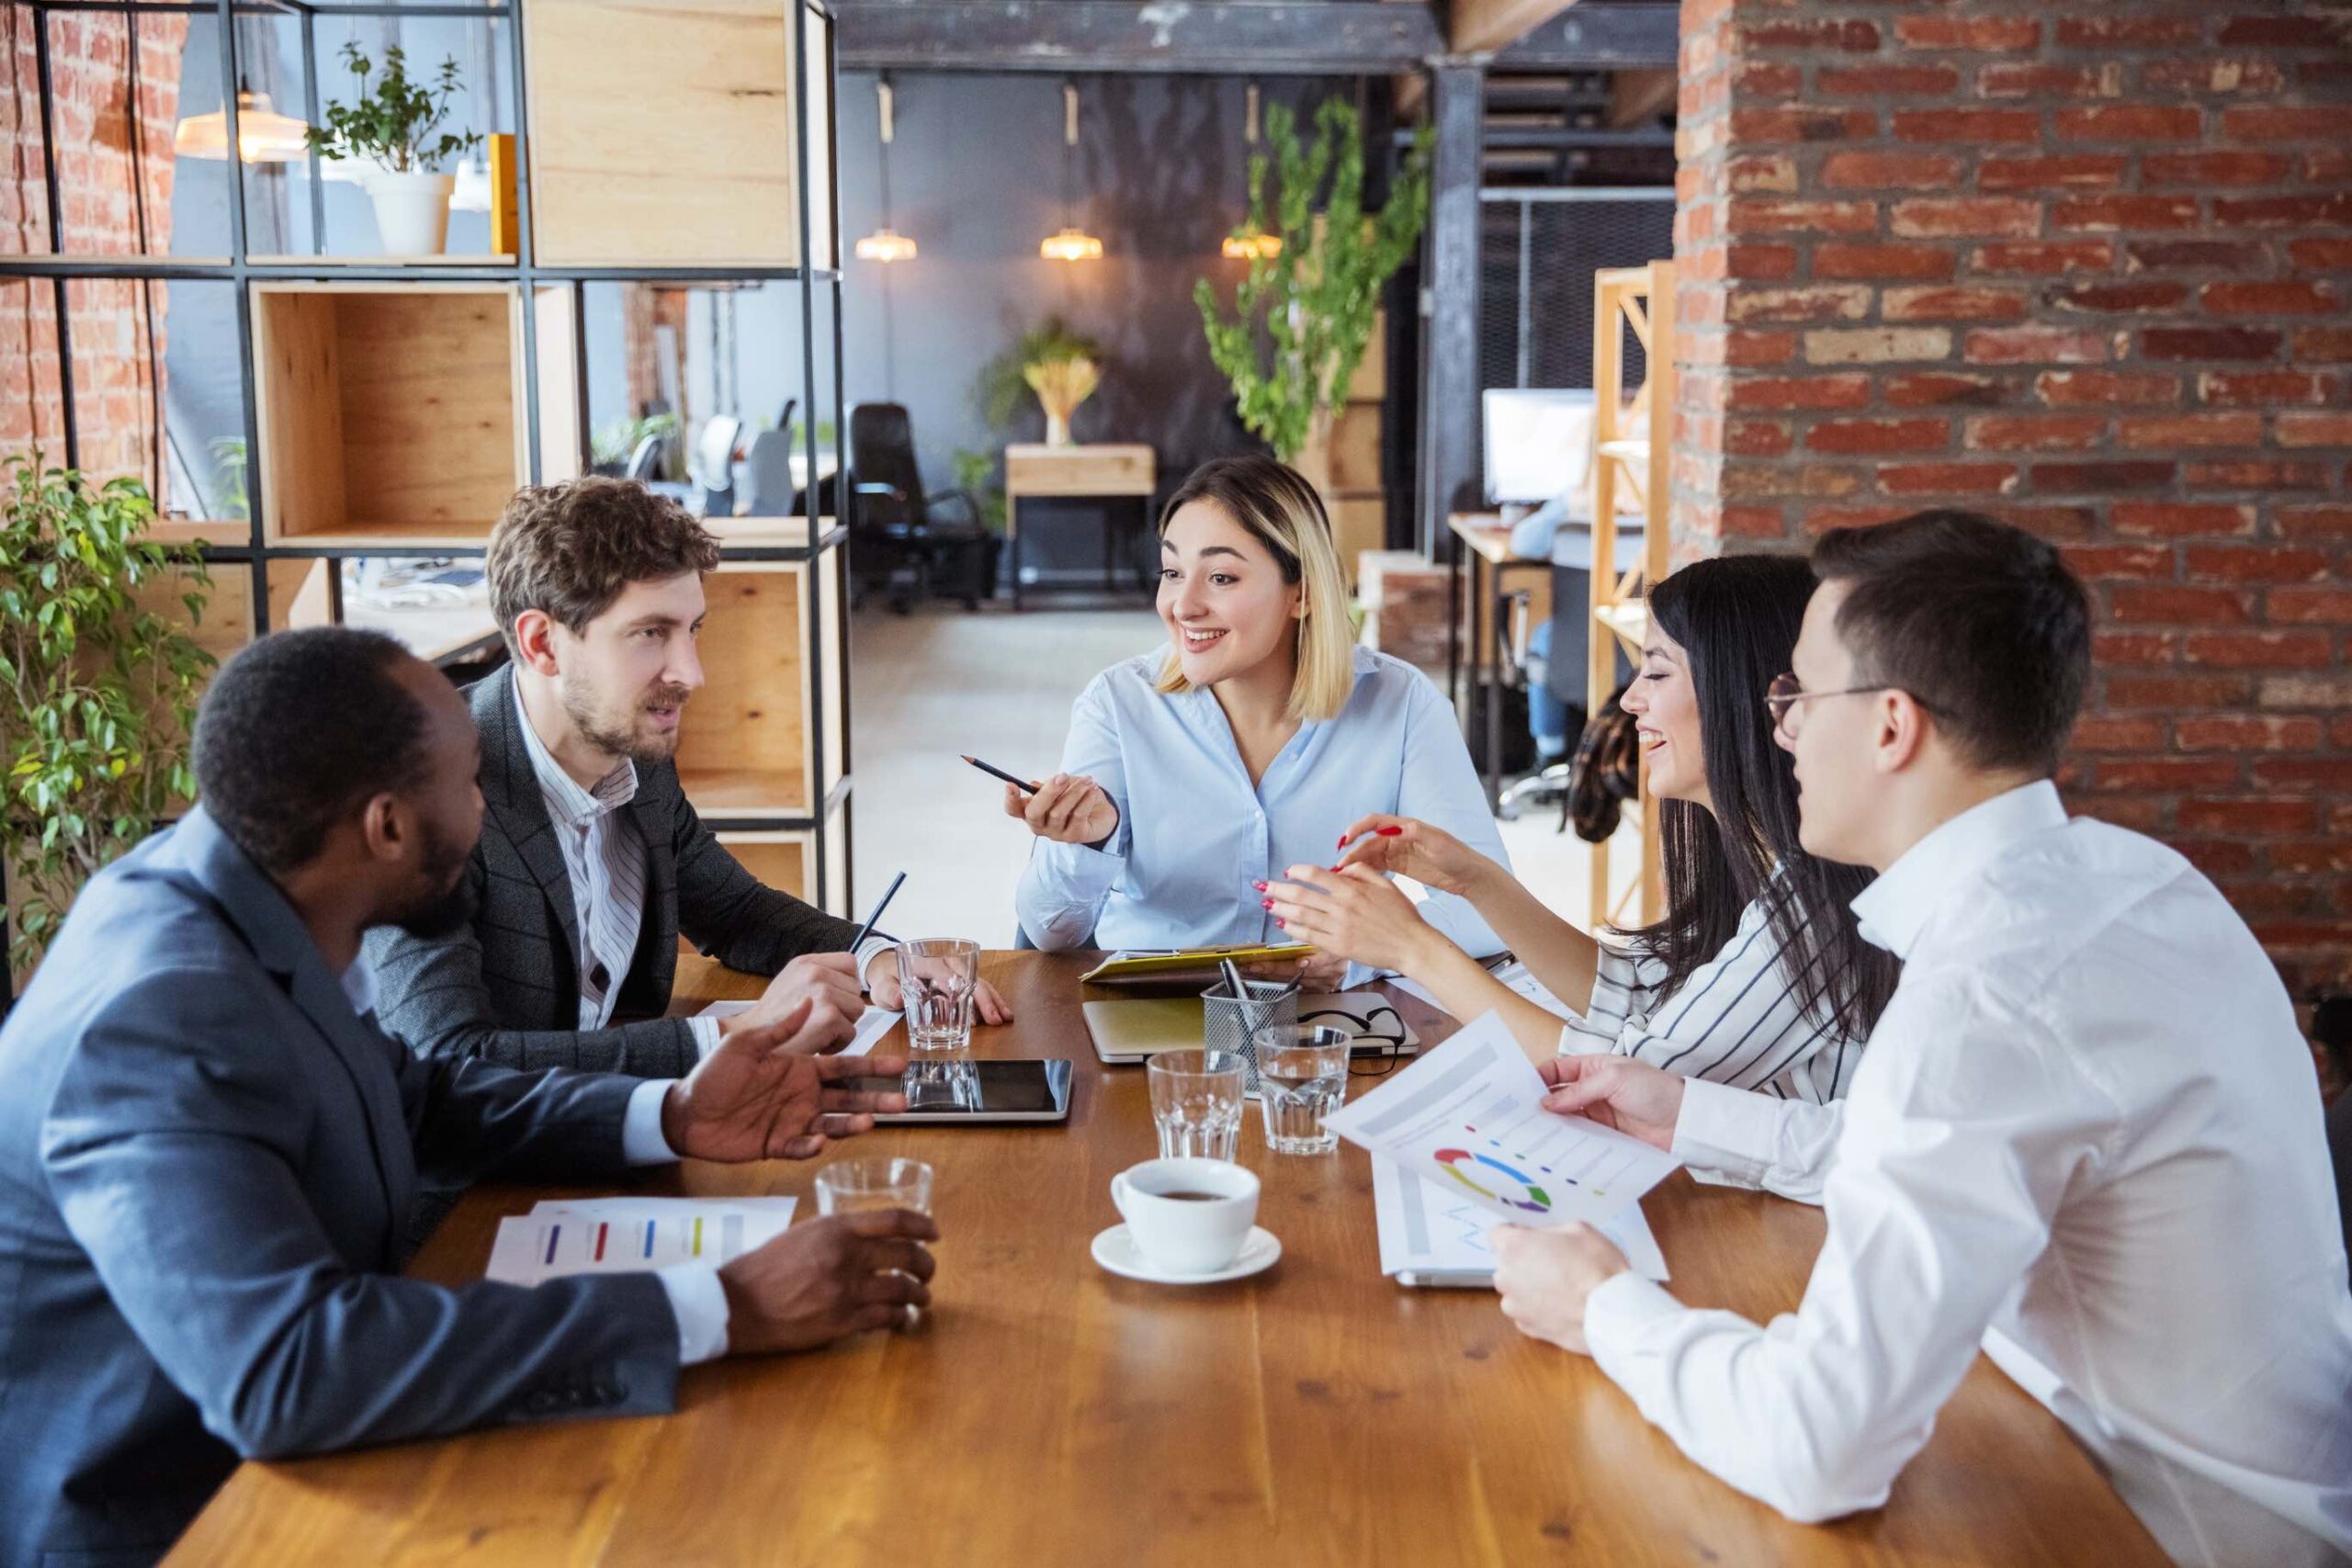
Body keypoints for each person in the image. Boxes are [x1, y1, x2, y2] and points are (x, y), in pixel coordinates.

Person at [1487, 512, 2352, 1564]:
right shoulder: (2134, 883)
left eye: (1797, 695)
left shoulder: (1986, 995)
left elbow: (1819, 1446)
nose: (1783, 729)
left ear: (1892, 726)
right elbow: (1936, 1144)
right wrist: (1691, 1115)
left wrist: (1602, 1307)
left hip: (2163, 1529)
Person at [0, 628, 936, 1568]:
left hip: (323, 1466)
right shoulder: (158, 1017)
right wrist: (720, 1307)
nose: (488, 811)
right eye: (471, 784)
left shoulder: (248, 894)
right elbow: (289, 1370)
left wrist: (673, 1113)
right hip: (188, 1523)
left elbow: (420, 1098)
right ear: (387, 826)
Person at [368, 478, 1008, 1077]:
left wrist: (880, 957)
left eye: (692, 630)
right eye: (650, 633)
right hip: (477, 1186)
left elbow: (734, 911)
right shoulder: (428, 793)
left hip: (607, 1140)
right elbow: (451, 1064)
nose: (692, 673)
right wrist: (738, 1036)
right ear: (543, 645)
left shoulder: (636, 757)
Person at [1264, 555, 1899, 1096]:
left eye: (1655, 671)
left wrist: (1412, 947)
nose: (1629, 700)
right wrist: (1476, 881)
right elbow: (1642, 995)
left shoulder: (1813, 903)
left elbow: (1630, 1081)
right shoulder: (1769, 873)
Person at [1009, 454, 1509, 988]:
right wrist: (1088, 844)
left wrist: (1364, 954)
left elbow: (1492, 912)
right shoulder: (1118, 703)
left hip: (1325, 1034)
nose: (1183, 605)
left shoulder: (1401, 704)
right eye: (1173, 572)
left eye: (1221, 577)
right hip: (1152, 1028)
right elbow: (1048, 933)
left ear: (1303, 593)